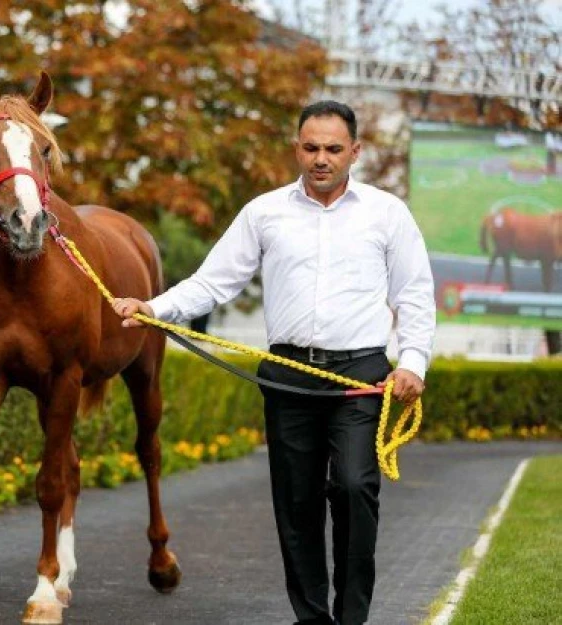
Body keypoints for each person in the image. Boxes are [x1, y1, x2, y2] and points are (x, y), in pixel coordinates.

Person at [113, 101, 435, 625]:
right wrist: (154, 307)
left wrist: (413, 362)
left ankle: (351, 618)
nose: (321, 159)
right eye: (311, 148)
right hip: (287, 374)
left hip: (358, 376)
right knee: (296, 503)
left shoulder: (387, 213)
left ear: (355, 151)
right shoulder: (265, 212)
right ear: (296, 149)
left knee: (355, 488)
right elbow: (213, 281)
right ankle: (311, 619)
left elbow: (415, 293)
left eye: (334, 149)